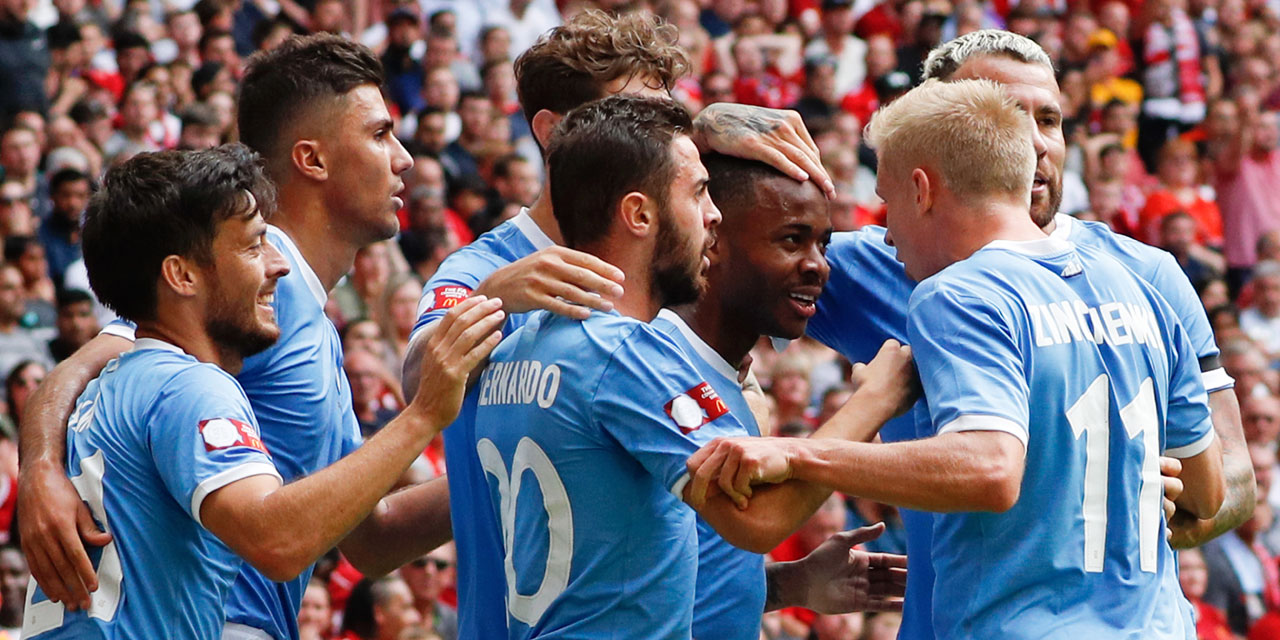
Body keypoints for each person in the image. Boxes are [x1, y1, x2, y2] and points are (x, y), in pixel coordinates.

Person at [689, 77, 1226, 638]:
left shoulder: (958, 293)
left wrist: (800, 452)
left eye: (888, 203)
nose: (887, 234)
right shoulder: (1140, 286)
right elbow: (1207, 489)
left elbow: (990, 469)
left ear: (922, 190)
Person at [399, 10, 840, 639]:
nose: (656, 130)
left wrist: (778, 587)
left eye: (667, 114)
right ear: (554, 132)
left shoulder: (673, 267)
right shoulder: (491, 271)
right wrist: (494, 300)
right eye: (631, 112)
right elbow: (421, 383)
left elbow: (633, 530)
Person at [18, 34, 463, 640]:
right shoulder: (211, 315)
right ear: (312, 159)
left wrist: (503, 473)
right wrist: (40, 471)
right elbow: (79, 368)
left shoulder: (290, 324)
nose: (404, 158)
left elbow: (369, 535)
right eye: (381, 134)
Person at [473, 94, 907, 639]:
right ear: (639, 214)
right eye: (699, 193)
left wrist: (783, 586)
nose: (713, 215)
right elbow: (758, 519)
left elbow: (614, 572)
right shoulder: (626, 353)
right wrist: (876, 399)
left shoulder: (512, 350)